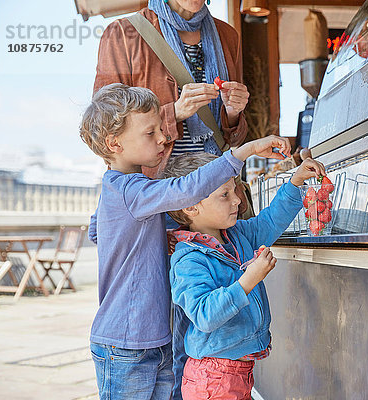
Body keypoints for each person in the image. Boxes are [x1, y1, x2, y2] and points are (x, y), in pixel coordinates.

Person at [80, 83, 291, 400]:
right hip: (126, 341)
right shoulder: (131, 191)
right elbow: (187, 191)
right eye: (150, 133)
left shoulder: (127, 191)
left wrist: (154, 235)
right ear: (114, 144)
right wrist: (241, 152)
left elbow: (98, 230)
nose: (164, 138)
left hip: (150, 337)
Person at [164, 153, 325, 399]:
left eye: (235, 190)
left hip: (236, 374)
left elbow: (271, 220)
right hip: (213, 378)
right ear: (190, 207)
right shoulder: (189, 260)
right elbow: (205, 314)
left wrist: (296, 182)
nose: (237, 200)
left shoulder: (237, 235)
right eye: (224, 194)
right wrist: (249, 280)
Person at [94, 0, 249, 178]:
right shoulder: (122, 33)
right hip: (154, 188)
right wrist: (174, 113)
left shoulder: (228, 36)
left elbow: (234, 139)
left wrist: (232, 114)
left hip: (213, 186)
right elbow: (103, 126)